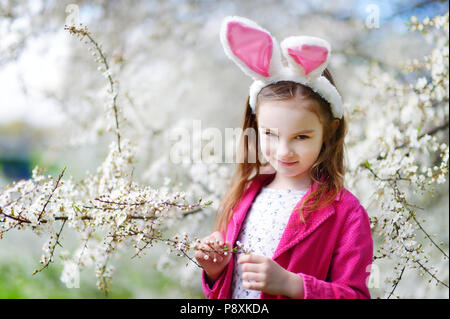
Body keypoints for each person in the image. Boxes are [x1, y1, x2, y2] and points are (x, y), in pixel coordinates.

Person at [194, 16, 373, 299]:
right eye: (270, 134)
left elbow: (355, 295)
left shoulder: (346, 213)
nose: (283, 151)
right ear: (255, 126)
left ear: (328, 132)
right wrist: (216, 271)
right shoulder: (244, 197)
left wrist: (295, 285)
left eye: (301, 137)